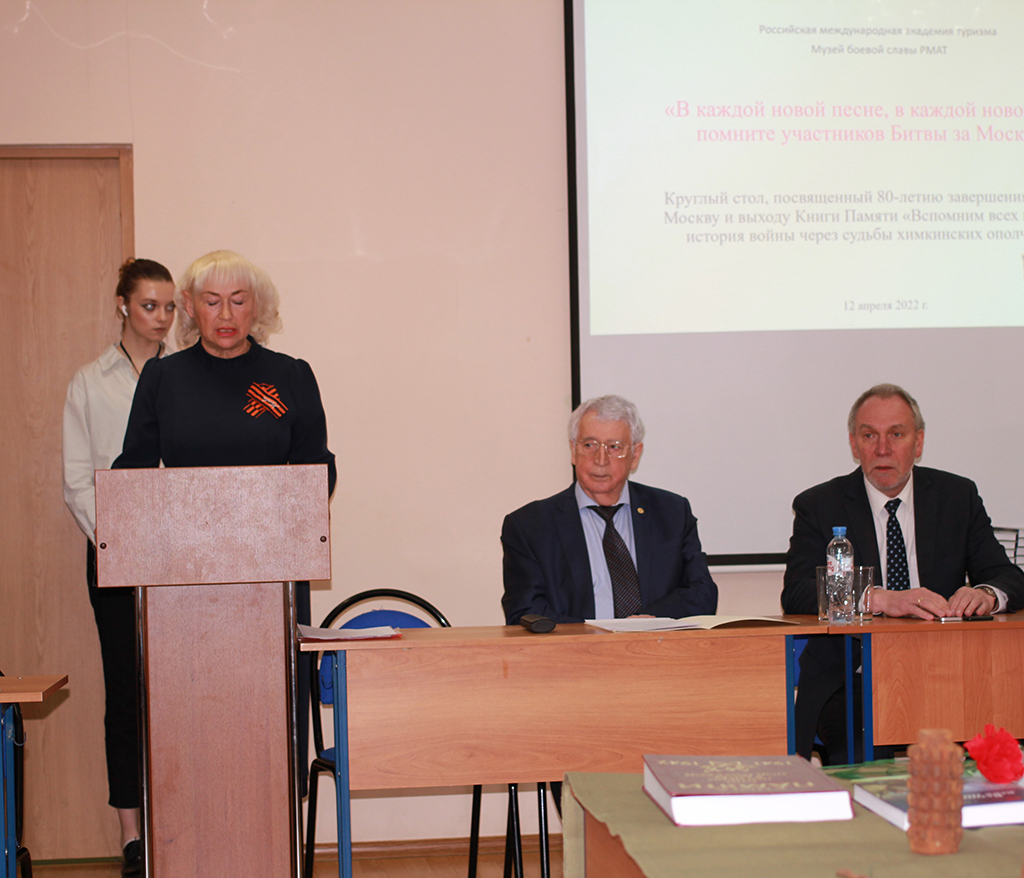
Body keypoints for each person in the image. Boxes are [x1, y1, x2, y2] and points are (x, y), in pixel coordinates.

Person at [112, 250, 336, 799]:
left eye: (238, 300)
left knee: (270, 729)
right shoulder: (163, 378)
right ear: (190, 307)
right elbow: (133, 474)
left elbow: (316, 470)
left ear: (257, 306)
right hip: (181, 588)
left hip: (273, 580)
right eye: (212, 301)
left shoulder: (289, 376)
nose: (226, 314)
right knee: (191, 733)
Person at [782, 383, 1024, 764]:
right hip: (853, 681)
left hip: (946, 674)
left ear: (918, 442)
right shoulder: (820, 504)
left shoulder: (957, 497)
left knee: (994, 752)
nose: (882, 449)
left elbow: (1006, 576)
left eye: (896, 434)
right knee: (865, 764)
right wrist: (878, 598)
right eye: (869, 436)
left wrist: (986, 594)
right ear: (854, 444)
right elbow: (796, 592)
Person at [62, 258, 176, 877]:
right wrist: (115, 543)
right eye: (149, 305)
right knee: (126, 694)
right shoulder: (89, 381)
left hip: (181, 554)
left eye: (169, 307)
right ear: (122, 306)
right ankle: (132, 836)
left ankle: (179, 825)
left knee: (183, 690)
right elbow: (77, 480)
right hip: (114, 553)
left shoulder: (187, 375)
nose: (161, 317)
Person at [502, 394, 718, 625]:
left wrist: (648, 623)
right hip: (577, 647)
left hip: (656, 645)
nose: (601, 459)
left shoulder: (672, 513)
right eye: (589, 445)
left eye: (614, 447)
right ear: (573, 450)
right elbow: (525, 611)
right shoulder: (530, 526)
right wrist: (597, 636)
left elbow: (702, 592)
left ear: (635, 455)